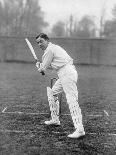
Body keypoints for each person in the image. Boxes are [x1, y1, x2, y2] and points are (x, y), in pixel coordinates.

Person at [35, 33, 85, 138]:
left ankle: (80, 129)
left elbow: (43, 69)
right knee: (52, 93)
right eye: (38, 43)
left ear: (47, 40)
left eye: (41, 41)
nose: (39, 44)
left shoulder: (49, 50)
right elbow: (50, 66)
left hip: (67, 73)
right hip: (64, 73)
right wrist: (41, 66)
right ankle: (55, 119)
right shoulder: (53, 48)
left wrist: (39, 67)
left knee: (71, 99)